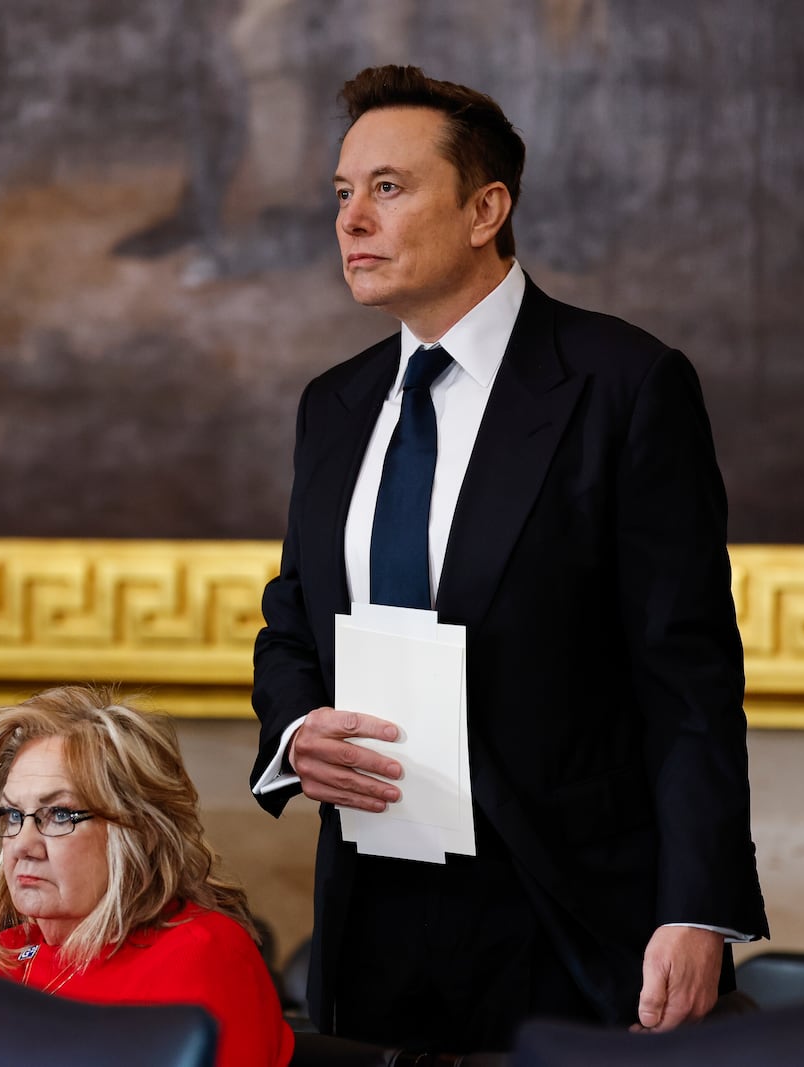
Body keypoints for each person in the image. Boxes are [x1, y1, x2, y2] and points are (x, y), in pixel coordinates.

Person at [249, 65, 768, 1052]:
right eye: (342, 192)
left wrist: (697, 905)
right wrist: (294, 732)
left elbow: (687, 675)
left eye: (388, 188)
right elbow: (293, 616)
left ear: (486, 208)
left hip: (571, 917)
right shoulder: (335, 404)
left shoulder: (624, 385)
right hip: (374, 920)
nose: (350, 219)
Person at [0, 685, 292, 1067]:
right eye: (13, 815)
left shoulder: (203, 955)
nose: (23, 844)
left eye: (60, 814)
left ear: (137, 830)